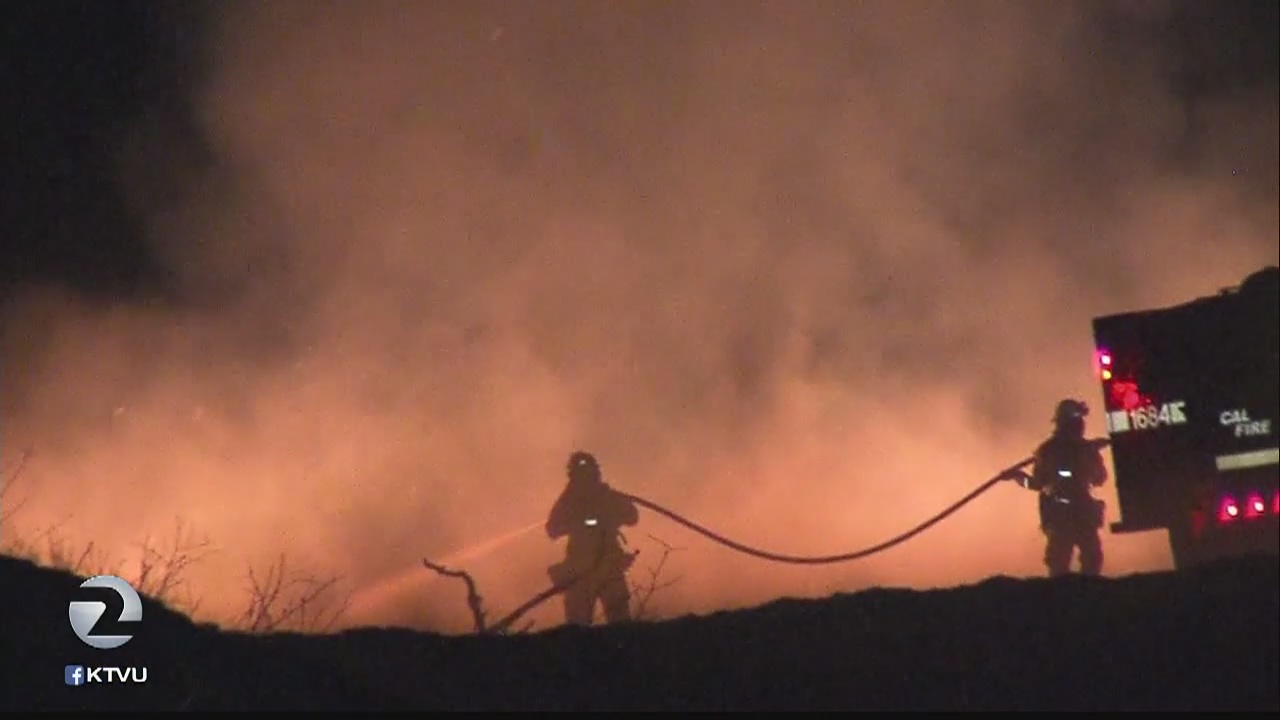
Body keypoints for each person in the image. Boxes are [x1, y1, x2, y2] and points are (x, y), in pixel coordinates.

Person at [1002, 399, 1109, 578]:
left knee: (1088, 560)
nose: (1080, 424)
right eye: (1077, 420)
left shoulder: (1055, 450)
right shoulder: (1056, 451)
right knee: (1067, 562)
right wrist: (1018, 477)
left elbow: (1100, 478)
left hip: (1074, 513)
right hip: (1066, 515)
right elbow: (1038, 484)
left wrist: (1018, 478)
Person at [545, 450, 640, 626]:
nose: (586, 479)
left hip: (609, 563)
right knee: (578, 627)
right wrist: (575, 522)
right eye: (581, 475)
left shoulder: (608, 496)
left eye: (588, 474)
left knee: (620, 623)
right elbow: (552, 530)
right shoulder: (567, 501)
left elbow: (633, 517)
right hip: (579, 569)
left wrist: (613, 514)